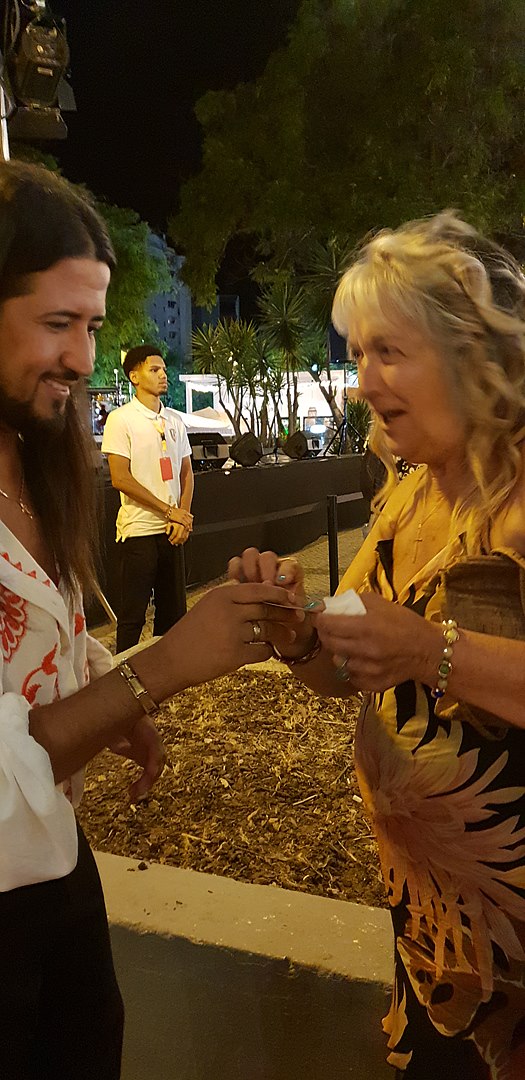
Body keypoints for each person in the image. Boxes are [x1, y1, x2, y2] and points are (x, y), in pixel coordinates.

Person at [0, 160, 303, 1080]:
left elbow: (37, 642)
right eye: (58, 323)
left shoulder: (30, 456)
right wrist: (157, 669)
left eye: (92, 327)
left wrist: (101, 693)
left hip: (55, 860)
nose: (82, 358)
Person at [229, 212, 525, 1079]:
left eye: (386, 353)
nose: (361, 383)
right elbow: (349, 667)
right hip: (434, 922)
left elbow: (416, 652)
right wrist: (298, 631)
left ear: (475, 354)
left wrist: (432, 652)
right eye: (356, 354)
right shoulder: (407, 494)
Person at [101, 345, 194, 652]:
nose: (163, 375)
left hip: (172, 532)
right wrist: (170, 511)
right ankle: (122, 673)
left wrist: (183, 517)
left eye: (164, 370)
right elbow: (120, 478)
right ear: (134, 376)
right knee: (132, 618)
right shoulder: (121, 419)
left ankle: (168, 674)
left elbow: (186, 473)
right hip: (138, 531)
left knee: (174, 619)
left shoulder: (174, 421)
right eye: (154, 370)